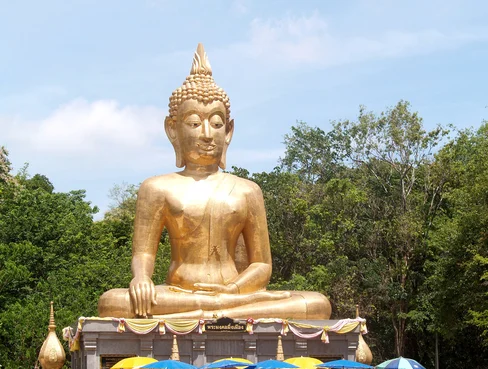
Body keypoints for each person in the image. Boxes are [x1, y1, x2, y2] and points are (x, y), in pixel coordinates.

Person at [97, 43, 332, 321]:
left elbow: (261, 264)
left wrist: (229, 291)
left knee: (317, 304)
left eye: (217, 123)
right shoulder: (157, 188)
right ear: (172, 129)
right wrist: (141, 281)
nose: (207, 134)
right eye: (195, 123)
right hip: (180, 293)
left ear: (229, 131)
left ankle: (211, 311)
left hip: (237, 295)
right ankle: (212, 312)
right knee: (113, 302)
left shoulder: (247, 190)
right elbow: (143, 255)